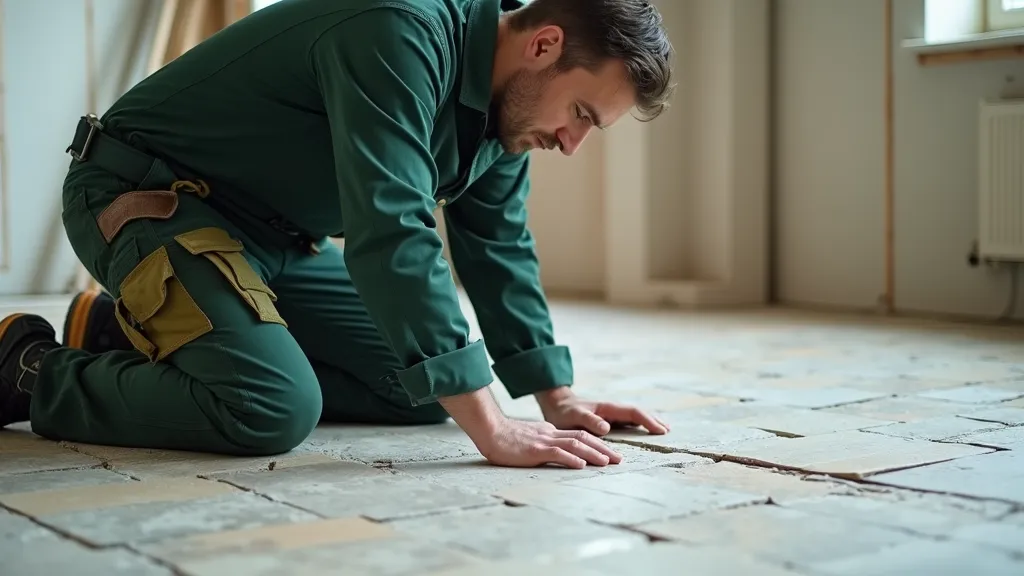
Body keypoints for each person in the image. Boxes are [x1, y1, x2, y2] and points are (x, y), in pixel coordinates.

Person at [0, 0, 674, 470]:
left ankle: (126, 330)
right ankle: (28, 368)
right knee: (270, 409)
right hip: (149, 199)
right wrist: (491, 427)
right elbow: (393, 228)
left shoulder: (508, 108)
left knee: (418, 393)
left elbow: (497, 244)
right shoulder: (399, 29)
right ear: (545, 44)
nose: (572, 142)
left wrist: (555, 398)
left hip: (277, 240)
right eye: (582, 114)